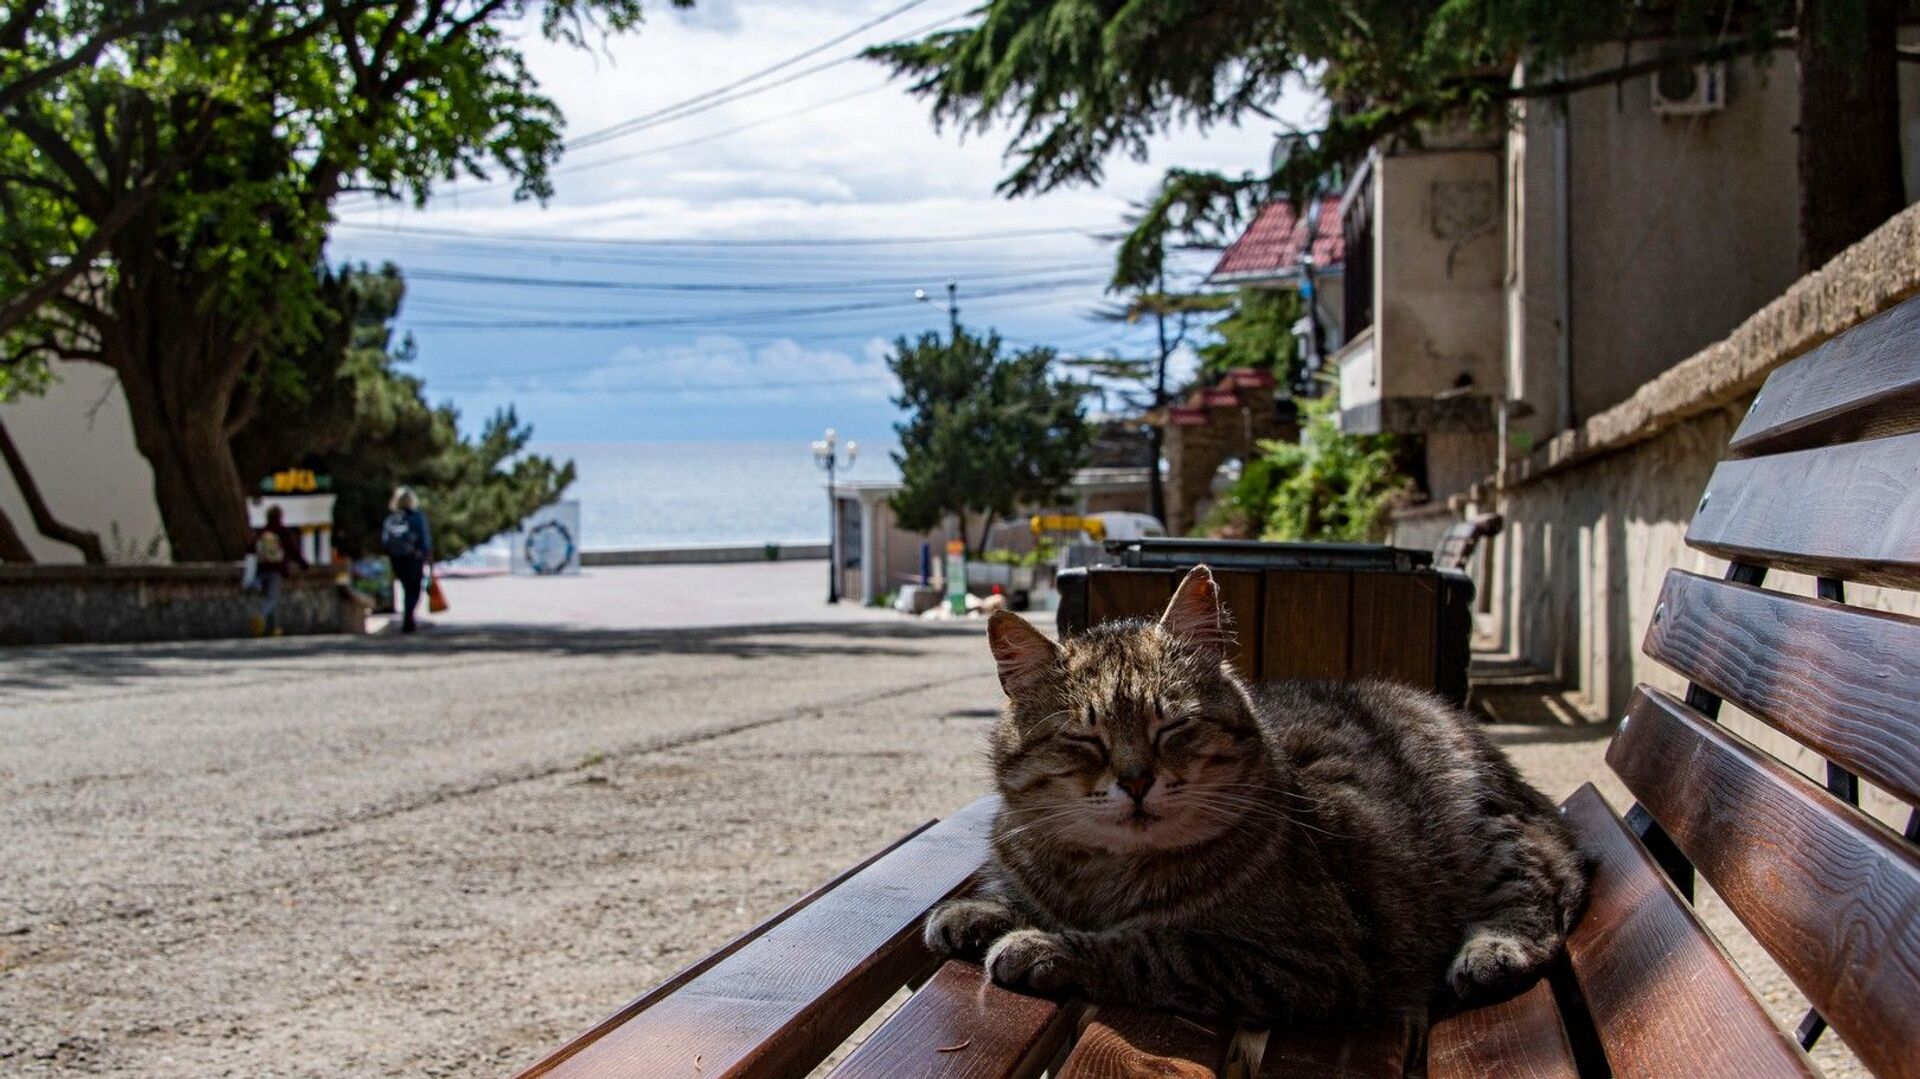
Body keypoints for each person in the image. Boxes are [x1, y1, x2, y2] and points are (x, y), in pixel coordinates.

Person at [381, 486, 433, 633]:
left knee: (406, 588)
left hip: (397, 560)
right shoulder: (416, 517)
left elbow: (385, 541)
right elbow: (424, 540)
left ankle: (407, 617)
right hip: (413, 558)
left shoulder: (391, 519)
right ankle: (409, 617)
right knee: (414, 589)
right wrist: (426, 556)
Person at [251, 505, 306, 636]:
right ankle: (260, 616)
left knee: (270, 597)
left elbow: (251, 549)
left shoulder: (262, 531)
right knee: (272, 599)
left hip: (261, 569)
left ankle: (273, 628)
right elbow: (292, 549)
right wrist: (303, 564)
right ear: (280, 516)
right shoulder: (282, 531)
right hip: (276, 569)